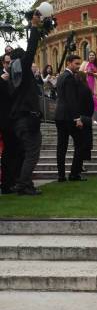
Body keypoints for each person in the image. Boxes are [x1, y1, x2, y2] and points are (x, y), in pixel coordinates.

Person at [9, 13, 43, 195]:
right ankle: (23, 185)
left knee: (26, 153)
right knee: (32, 153)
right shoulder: (23, 70)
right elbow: (31, 49)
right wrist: (34, 27)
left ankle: (24, 183)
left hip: (17, 121)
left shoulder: (10, 76)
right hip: (28, 119)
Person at [55, 54, 86, 182]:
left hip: (60, 116)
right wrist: (77, 118)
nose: (78, 66)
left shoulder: (62, 76)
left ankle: (61, 176)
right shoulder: (69, 78)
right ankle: (74, 174)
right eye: (76, 64)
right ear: (68, 63)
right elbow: (71, 100)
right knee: (81, 143)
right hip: (68, 117)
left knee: (61, 146)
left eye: (79, 64)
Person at [0, 53, 23, 194]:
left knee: (15, 151)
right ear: (3, 63)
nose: (9, 65)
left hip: (14, 120)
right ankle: (7, 184)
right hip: (6, 121)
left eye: (11, 63)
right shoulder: (3, 79)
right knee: (9, 153)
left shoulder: (15, 78)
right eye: (7, 63)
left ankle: (12, 181)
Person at [76, 71, 95, 164]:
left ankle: (79, 163)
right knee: (85, 140)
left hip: (76, 117)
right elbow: (91, 105)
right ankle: (82, 161)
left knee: (79, 141)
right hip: (86, 117)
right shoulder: (86, 89)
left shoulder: (74, 89)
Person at [80, 51, 97, 122]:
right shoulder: (85, 63)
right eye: (90, 55)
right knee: (87, 101)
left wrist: (93, 73)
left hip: (95, 86)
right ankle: (88, 118)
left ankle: (96, 119)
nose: (91, 56)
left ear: (95, 57)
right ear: (88, 56)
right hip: (86, 84)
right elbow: (80, 72)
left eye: (93, 55)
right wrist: (87, 72)